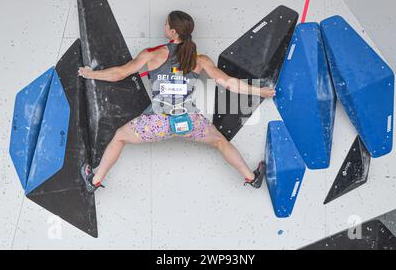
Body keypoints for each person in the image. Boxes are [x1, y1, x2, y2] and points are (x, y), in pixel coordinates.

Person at [78, 11, 276, 193]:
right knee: (219, 141)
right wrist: (260, 92)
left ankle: (94, 181)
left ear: (172, 31)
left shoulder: (152, 54)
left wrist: (90, 74)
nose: (163, 27)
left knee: (120, 137)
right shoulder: (200, 60)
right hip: (189, 122)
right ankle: (251, 178)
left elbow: (120, 73)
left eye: (165, 25)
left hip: (157, 123)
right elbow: (230, 84)